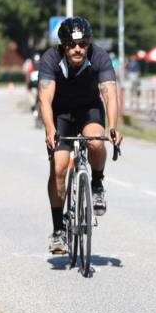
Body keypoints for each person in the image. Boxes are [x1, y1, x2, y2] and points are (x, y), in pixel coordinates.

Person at [38, 16, 123, 254]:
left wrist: (113, 127)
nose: (78, 49)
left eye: (83, 44)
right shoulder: (50, 59)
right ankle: (58, 231)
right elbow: (44, 100)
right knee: (59, 168)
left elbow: (110, 95)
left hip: (88, 109)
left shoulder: (100, 58)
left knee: (96, 142)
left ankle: (96, 184)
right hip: (60, 113)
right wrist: (50, 129)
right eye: (73, 44)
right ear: (64, 45)